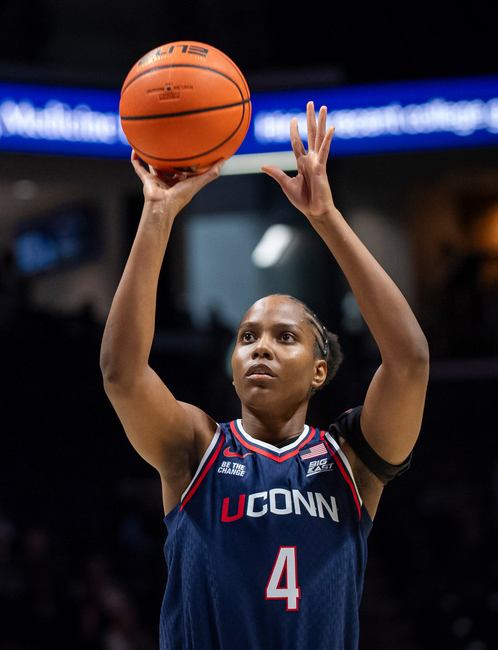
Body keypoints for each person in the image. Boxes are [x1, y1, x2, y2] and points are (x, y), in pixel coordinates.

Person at [100, 102, 429, 648]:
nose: (260, 349)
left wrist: (325, 217)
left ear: (320, 371)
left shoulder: (351, 460)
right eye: (247, 337)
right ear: (230, 371)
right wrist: (157, 211)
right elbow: (120, 374)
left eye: (285, 337)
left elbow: (410, 359)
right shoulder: (196, 447)